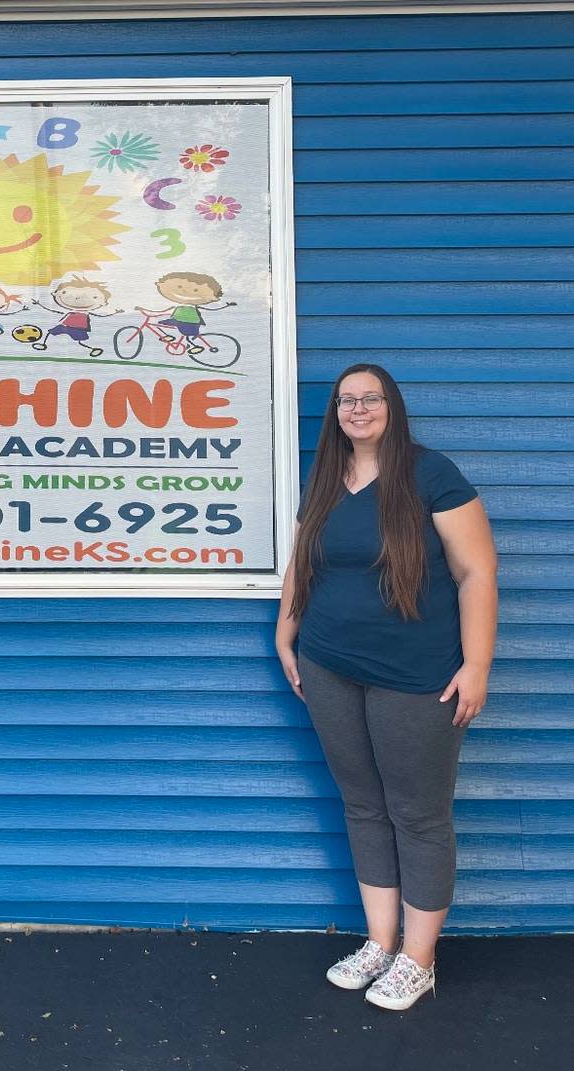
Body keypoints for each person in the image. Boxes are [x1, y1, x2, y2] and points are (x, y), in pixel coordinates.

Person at [275, 364, 497, 1011]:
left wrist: (477, 664)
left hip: (417, 678)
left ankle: (418, 959)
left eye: (371, 397)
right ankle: (380, 941)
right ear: (335, 411)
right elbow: (302, 563)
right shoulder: (324, 478)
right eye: (348, 399)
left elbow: (476, 569)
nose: (359, 407)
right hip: (328, 666)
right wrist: (284, 634)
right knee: (363, 804)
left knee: (419, 815)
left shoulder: (431, 475)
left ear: (391, 406)